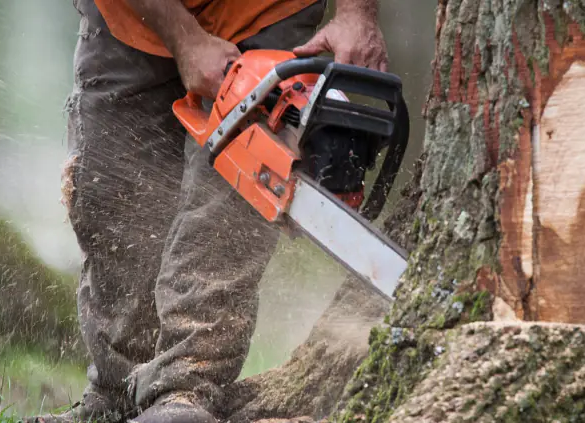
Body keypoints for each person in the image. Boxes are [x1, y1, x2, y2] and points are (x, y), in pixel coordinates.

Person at [25, 0, 388, 422]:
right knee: (114, 194)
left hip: (266, 10)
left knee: (227, 208)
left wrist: (356, 14)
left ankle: (184, 389)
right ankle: (115, 393)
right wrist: (185, 38)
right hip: (129, 19)